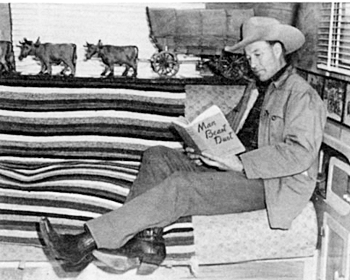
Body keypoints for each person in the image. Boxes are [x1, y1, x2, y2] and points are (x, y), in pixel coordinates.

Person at [39, 16, 327, 275]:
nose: (252, 63)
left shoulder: (302, 96)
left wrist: (240, 163)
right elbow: (229, 128)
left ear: (278, 50)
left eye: (258, 54)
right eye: (249, 56)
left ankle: (84, 243)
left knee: (181, 186)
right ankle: (146, 242)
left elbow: (299, 153)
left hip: (269, 184)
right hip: (236, 168)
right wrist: (202, 144)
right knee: (157, 156)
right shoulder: (256, 88)